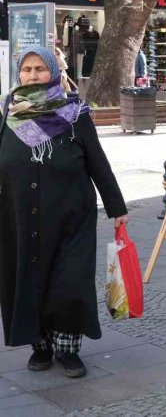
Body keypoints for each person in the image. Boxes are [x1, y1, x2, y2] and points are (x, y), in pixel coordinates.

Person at [0, 46, 128, 379]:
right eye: (26, 69)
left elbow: (98, 163)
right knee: (29, 281)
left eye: (40, 69)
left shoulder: (76, 113)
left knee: (69, 284)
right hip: (20, 219)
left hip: (71, 218)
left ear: (55, 73)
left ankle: (68, 349)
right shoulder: (8, 111)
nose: (32, 75)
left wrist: (116, 207)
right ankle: (39, 346)